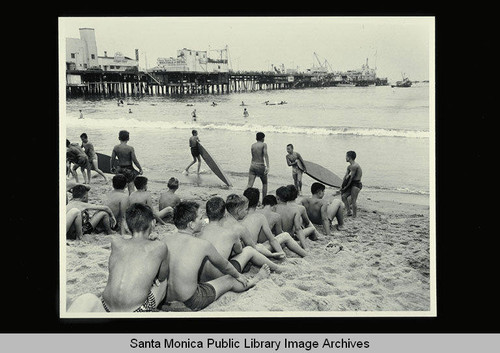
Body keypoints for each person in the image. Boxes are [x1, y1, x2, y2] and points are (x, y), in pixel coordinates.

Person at [163, 201, 270, 311]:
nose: (203, 221)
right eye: (200, 218)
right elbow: (224, 265)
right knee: (229, 279)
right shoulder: (202, 244)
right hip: (190, 301)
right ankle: (256, 280)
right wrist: (238, 275)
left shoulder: (164, 240)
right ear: (191, 224)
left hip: (164, 298)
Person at [67, 203, 169, 312]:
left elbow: (126, 238)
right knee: (163, 282)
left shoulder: (116, 242)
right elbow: (162, 277)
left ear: (125, 225)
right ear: (153, 223)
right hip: (136, 310)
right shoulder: (160, 246)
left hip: (106, 306)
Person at [198, 197, 288, 282]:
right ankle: (276, 268)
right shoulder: (232, 231)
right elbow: (239, 250)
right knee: (249, 250)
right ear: (224, 214)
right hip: (220, 276)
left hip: (200, 276)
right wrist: (271, 254)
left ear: (206, 214)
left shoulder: (200, 231)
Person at [243, 188, 307, 258]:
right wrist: (282, 254)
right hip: (258, 250)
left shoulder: (241, 215)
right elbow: (275, 238)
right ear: (258, 202)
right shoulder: (260, 216)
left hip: (244, 249)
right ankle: (306, 254)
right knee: (285, 235)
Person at [111, 130, 143, 194]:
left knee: (119, 188)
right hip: (129, 170)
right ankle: (130, 202)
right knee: (131, 189)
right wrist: (140, 168)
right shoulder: (130, 148)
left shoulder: (116, 147)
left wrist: (112, 167)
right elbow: (134, 160)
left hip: (119, 169)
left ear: (119, 138)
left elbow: (112, 159)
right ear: (128, 138)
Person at [247, 132, 270, 200]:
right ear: (263, 138)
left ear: (256, 138)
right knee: (265, 183)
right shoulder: (263, 144)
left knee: (249, 185)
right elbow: (265, 155)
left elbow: (253, 156)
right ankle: (264, 201)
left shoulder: (253, 145)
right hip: (260, 165)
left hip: (253, 165)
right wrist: (268, 166)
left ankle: (245, 199)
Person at [340, 150, 363, 217]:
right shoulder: (349, 167)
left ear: (349, 157)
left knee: (353, 200)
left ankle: (354, 215)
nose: (345, 158)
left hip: (356, 184)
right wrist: (341, 186)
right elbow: (345, 177)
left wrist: (346, 187)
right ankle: (349, 211)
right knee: (343, 196)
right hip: (352, 184)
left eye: (346, 156)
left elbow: (351, 178)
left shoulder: (355, 166)